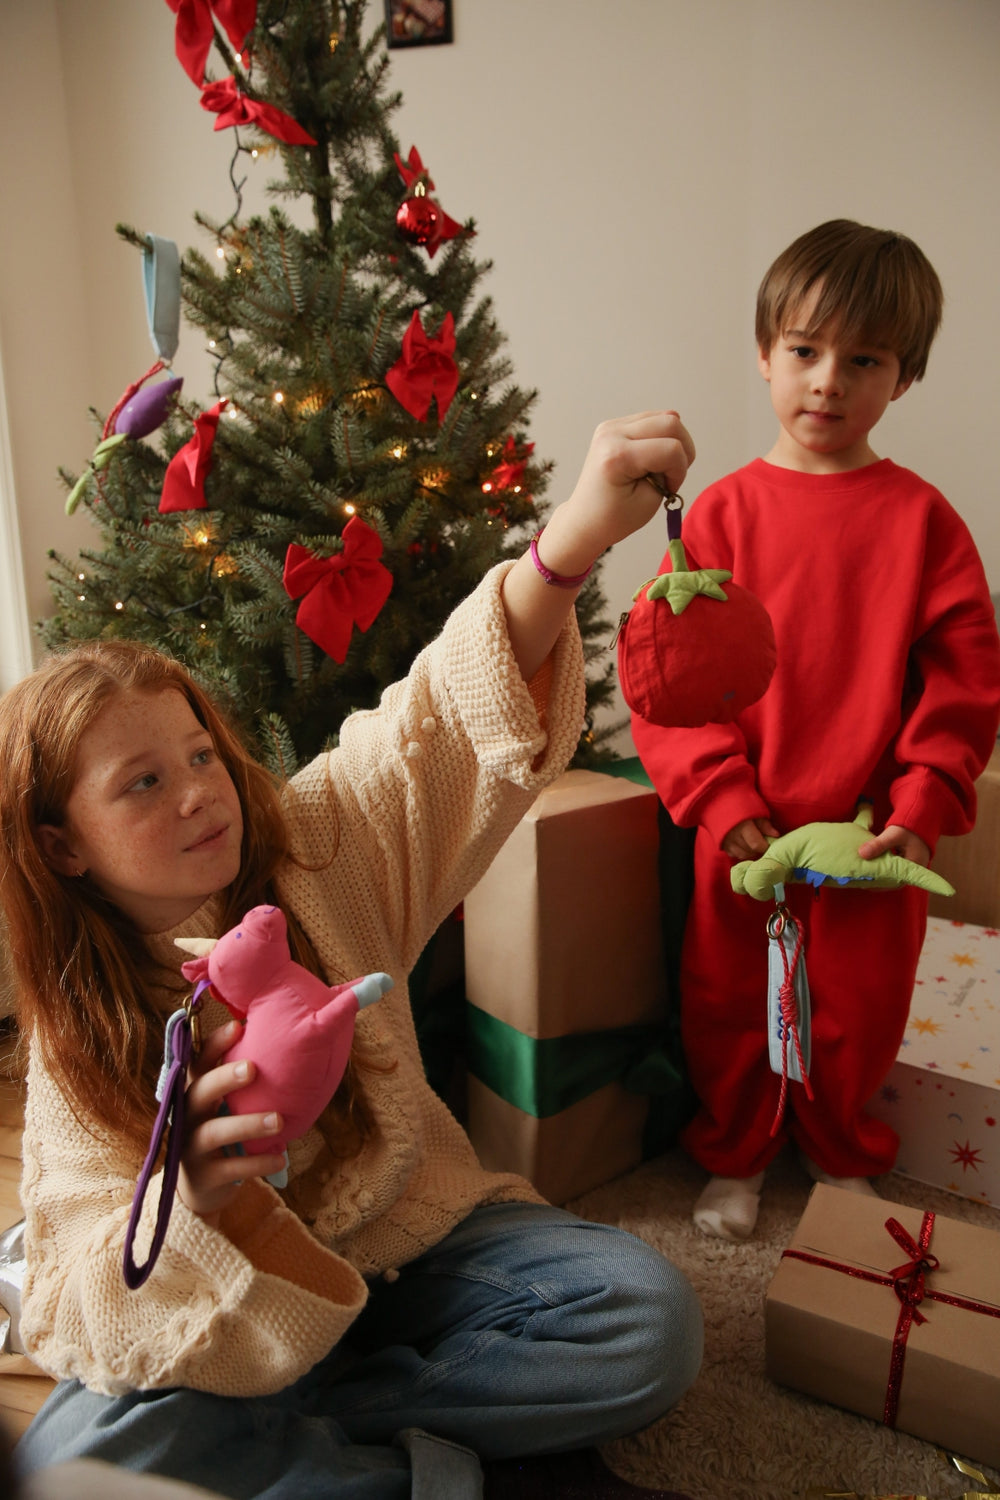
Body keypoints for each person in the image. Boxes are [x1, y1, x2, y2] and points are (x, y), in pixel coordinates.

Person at [1, 410, 703, 1500]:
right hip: (237, 1314)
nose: (198, 793)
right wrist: (186, 1195)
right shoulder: (80, 1033)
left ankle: (328, 1445)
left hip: (417, 1250)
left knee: (644, 1322)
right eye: (142, 783)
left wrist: (570, 540)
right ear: (62, 844)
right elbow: (82, 1303)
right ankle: (419, 1461)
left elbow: (436, 720)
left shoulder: (319, 849)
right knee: (71, 1461)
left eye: (201, 755)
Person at [631, 220, 1000, 1242]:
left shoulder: (924, 522)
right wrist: (719, 798)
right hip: (743, 835)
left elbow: (964, 684)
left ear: (903, 378)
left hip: (870, 838)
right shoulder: (717, 518)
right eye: (804, 351)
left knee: (859, 1008)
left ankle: (841, 1151)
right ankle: (736, 1152)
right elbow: (672, 683)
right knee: (725, 1004)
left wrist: (922, 804)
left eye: (864, 360)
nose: (828, 382)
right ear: (763, 356)